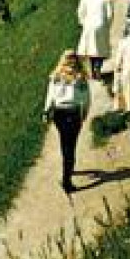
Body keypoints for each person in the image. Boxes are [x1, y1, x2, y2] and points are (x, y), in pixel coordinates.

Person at [42, 51, 91, 194]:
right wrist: (84, 113)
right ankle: (67, 179)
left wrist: (46, 112)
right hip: (73, 112)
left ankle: (67, 168)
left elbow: (50, 96)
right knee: (71, 145)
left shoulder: (56, 76)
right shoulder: (80, 78)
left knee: (64, 142)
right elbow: (86, 98)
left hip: (59, 113)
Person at [76, 0, 113, 78]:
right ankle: (98, 67)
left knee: (91, 48)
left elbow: (80, 11)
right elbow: (109, 15)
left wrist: (83, 23)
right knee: (100, 49)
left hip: (88, 24)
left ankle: (92, 69)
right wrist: (107, 26)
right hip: (100, 24)